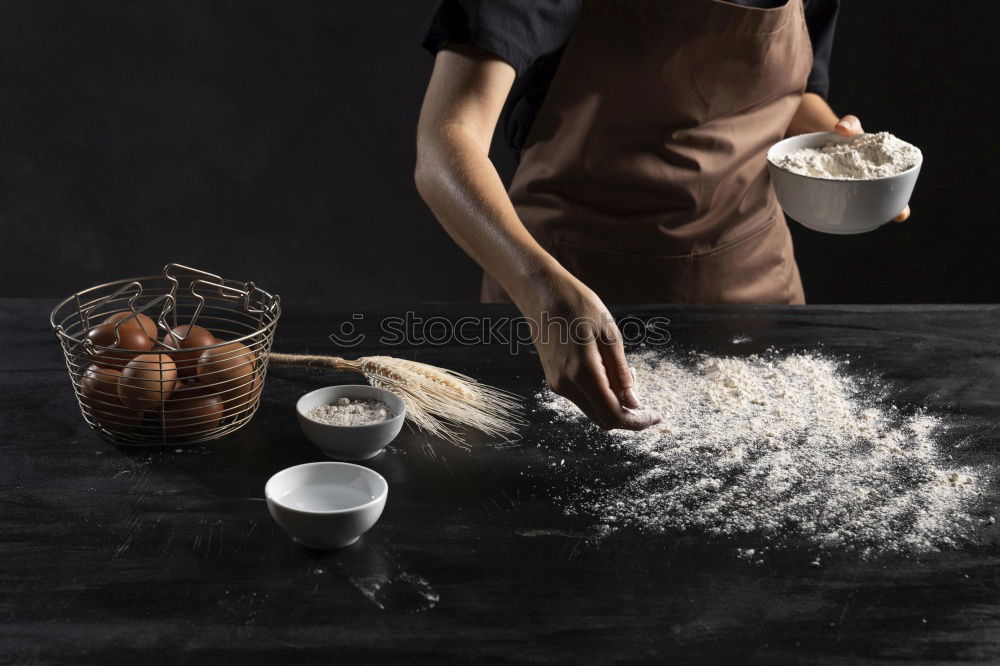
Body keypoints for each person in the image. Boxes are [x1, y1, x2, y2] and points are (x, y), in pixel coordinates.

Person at [414, 0, 910, 431]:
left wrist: (840, 148)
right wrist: (538, 288)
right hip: (565, 296)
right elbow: (446, 142)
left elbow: (789, 92)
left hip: (753, 289)